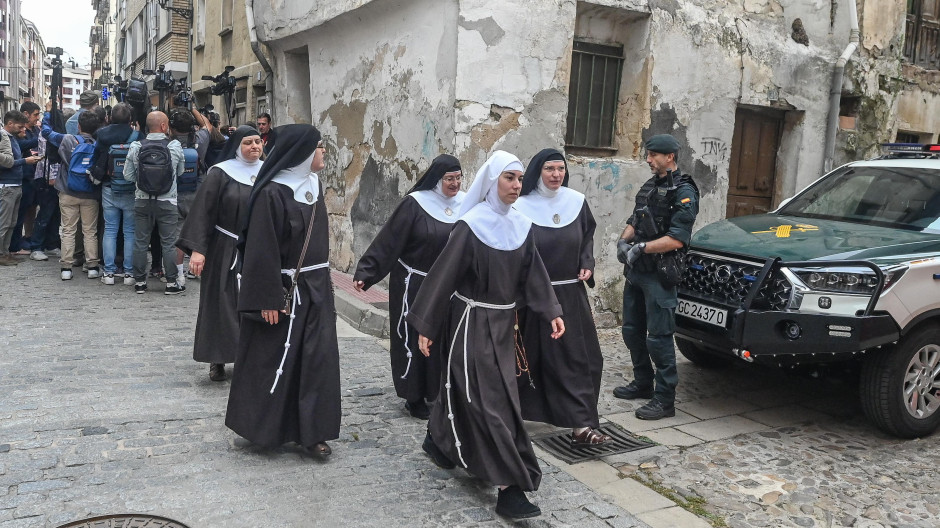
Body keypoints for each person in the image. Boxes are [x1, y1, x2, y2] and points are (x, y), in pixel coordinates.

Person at [407, 150, 565, 519]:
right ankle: (511, 487)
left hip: (506, 325)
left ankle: (441, 441)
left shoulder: (521, 225)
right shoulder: (471, 224)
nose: (516, 185)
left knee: (473, 393)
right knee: (491, 401)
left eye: (520, 178)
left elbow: (534, 275)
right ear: (492, 182)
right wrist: (426, 325)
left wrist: (552, 311)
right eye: (509, 178)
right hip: (471, 324)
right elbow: (442, 276)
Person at [225, 124, 340, 457]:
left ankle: (314, 432)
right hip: (284, 290)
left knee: (317, 360)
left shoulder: (314, 186)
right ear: (302, 152)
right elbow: (260, 249)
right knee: (275, 359)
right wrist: (268, 297)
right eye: (319, 147)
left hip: (317, 289)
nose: (323, 153)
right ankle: (265, 428)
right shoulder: (272, 194)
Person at [353, 154, 465, 419]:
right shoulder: (415, 205)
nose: (455, 184)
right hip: (413, 283)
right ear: (437, 180)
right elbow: (390, 240)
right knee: (413, 339)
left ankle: (438, 391)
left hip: (447, 286)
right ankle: (413, 395)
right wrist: (367, 271)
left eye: (459, 178)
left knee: (442, 340)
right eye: (450, 178)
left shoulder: (466, 204)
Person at [513, 148, 609, 446]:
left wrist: (587, 262)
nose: (557, 175)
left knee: (585, 360)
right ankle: (509, 416)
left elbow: (587, 237)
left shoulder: (576, 202)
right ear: (536, 173)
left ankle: (581, 425)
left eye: (560, 169)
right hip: (533, 299)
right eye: (549, 169)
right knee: (529, 362)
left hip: (569, 294)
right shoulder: (520, 206)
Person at [613, 134, 699, 420]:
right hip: (637, 272)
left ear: (669, 157)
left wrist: (642, 247)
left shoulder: (684, 191)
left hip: (661, 274)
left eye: (653, 155)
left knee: (659, 338)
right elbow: (634, 220)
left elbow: (677, 239)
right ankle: (642, 382)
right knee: (631, 331)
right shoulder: (650, 185)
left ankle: (664, 399)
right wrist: (623, 242)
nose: (648, 160)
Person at [177, 126, 263, 382]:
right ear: (237, 146)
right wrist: (198, 251)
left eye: (258, 141)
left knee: (257, 303)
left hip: (257, 248)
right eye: (248, 142)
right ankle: (218, 358)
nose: (255, 146)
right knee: (222, 304)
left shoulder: (269, 173)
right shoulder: (220, 174)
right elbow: (203, 212)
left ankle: (253, 358)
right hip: (224, 247)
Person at [123, 111, 186, 294]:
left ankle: (140, 282)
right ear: (164, 126)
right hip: (167, 200)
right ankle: (172, 283)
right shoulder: (174, 146)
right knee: (168, 242)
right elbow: (180, 172)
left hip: (142, 200)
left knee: (141, 242)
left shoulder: (136, 146)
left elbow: (127, 175)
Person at [92, 103, 139, 285]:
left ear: (110, 118)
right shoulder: (136, 136)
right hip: (130, 187)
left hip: (109, 186)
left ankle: (109, 273)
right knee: (129, 231)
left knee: (110, 230)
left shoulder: (102, 135)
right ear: (130, 119)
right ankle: (128, 273)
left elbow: (97, 159)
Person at [53, 111, 103, 279]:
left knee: (68, 230)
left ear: (79, 126)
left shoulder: (68, 140)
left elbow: (63, 158)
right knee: (90, 231)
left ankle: (66, 268)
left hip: (68, 190)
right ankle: (92, 266)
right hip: (89, 192)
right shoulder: (98, 144)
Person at [168, 106, 212, 283]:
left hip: (175, 192)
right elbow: (207, 126)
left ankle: (178, 273)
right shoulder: (200, 140)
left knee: (177, 234)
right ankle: (196, 269)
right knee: (198, 231)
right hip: (198, 191)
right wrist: (193, 108)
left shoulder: (168, 142)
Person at [0, 111, 41, 266]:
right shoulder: (3, 136)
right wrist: (24, 161)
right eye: (19, 126)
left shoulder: (11, 137)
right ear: (10, 123)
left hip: (15, 184)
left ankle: (6, 252)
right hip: (7, 185)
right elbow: (7, 161)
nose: (22, 129)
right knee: (4, 222)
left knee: (11, 222)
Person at [10, 102, 42, 256]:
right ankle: (13, 247)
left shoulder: (36, 129)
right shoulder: (15, 134)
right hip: (21, 177)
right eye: (35, 114)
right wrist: (40, 138)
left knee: (30, 209)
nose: (37, 118)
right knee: (17, 214)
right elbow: (19, 146)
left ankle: (27, 237)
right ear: (26, 114)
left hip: (33, 176)